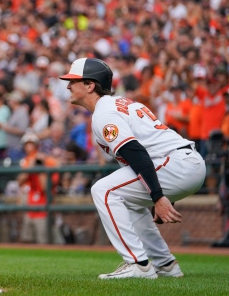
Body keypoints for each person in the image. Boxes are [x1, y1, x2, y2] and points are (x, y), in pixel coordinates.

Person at [60, 58, 205, 279]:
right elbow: (152, 145)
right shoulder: (118, 104)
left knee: (103, 190)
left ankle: (138, 264)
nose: (68, 85)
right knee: (128, 202)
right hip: (179, 163)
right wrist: (159, 192)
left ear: (90, 85)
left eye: (73, 81)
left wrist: (158, 196)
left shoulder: (104, 113)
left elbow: (136, 152)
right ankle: (165, 264)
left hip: (175, 164)